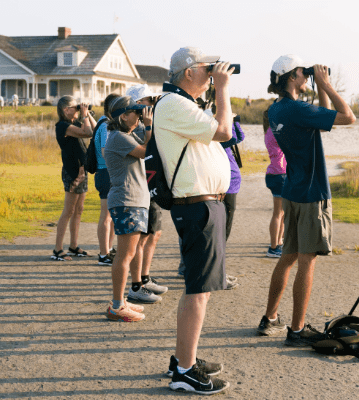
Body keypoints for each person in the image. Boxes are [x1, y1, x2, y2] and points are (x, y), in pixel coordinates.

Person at [256, 55, 356, 343]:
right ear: (292, 77)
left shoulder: (278, 111)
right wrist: (326, 83)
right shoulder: (298, 109)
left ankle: (270, 317)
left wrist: (319, 88)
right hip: (312, 193)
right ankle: (298, 329)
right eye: (303, 72)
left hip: (292, 191)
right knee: (306, 262)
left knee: (287, 257)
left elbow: (323, 122)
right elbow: (347, 116)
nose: (305, 75)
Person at [156, 47, 234, 395]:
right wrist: (223, 88)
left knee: (200, 288)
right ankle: (184, 371)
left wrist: (215, 87)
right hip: (197, 206)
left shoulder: (183, 104)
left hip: (204, 204)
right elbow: (224, 131)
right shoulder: (173, 104)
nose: (214, 73)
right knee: (198, 290)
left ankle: (184, 358)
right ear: (189, 72)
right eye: (208, 69)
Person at [104, 96, 158, 322]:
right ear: (122, 116)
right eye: (135, 112)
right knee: (125, 255)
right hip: (127, 201)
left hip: (133, 201)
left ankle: (122, 301)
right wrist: (149, 126)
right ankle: (117, 306)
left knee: (129, 253)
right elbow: (147, 151)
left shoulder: (125, 135)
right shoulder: (117, 137)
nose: (139, 115)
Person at [125, 84, 168, 298]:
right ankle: (138, 283)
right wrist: (149, 126)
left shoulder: (146, 123)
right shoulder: (135, 127)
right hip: (142, 187)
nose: (153, 104)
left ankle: (145, 277)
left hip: (152, 184)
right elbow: (145, 150)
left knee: (154, 234)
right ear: (138, 104)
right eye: (148, 101)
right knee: (142, 238)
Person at [51, 96, 97, 261]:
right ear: (65, 110)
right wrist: (83, 115)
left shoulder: (74, 123)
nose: (78, 109)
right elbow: (87, 133)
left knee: (79, 210)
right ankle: (57, 249)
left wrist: (87, 113)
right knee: (69, 211)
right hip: (72, 173)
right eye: (75, 107)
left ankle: (73, 245)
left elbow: (95, 129)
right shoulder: (63, 126)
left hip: (82, 171)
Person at [93, 93, 120, 266]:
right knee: (106, 216)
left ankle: (108, 250)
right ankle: (103, 254)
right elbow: (105, 152)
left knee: (110, 216)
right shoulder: (105, 126)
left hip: (106, 172)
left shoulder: (103, 123)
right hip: (105, 172)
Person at [263, 107, 286, 258]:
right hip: (279, 175)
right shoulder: (276, 130)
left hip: (277, 173)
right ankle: (273, 248)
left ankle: (278, 243)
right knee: (278, 213)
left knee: (283, 213)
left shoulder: (269, 131)